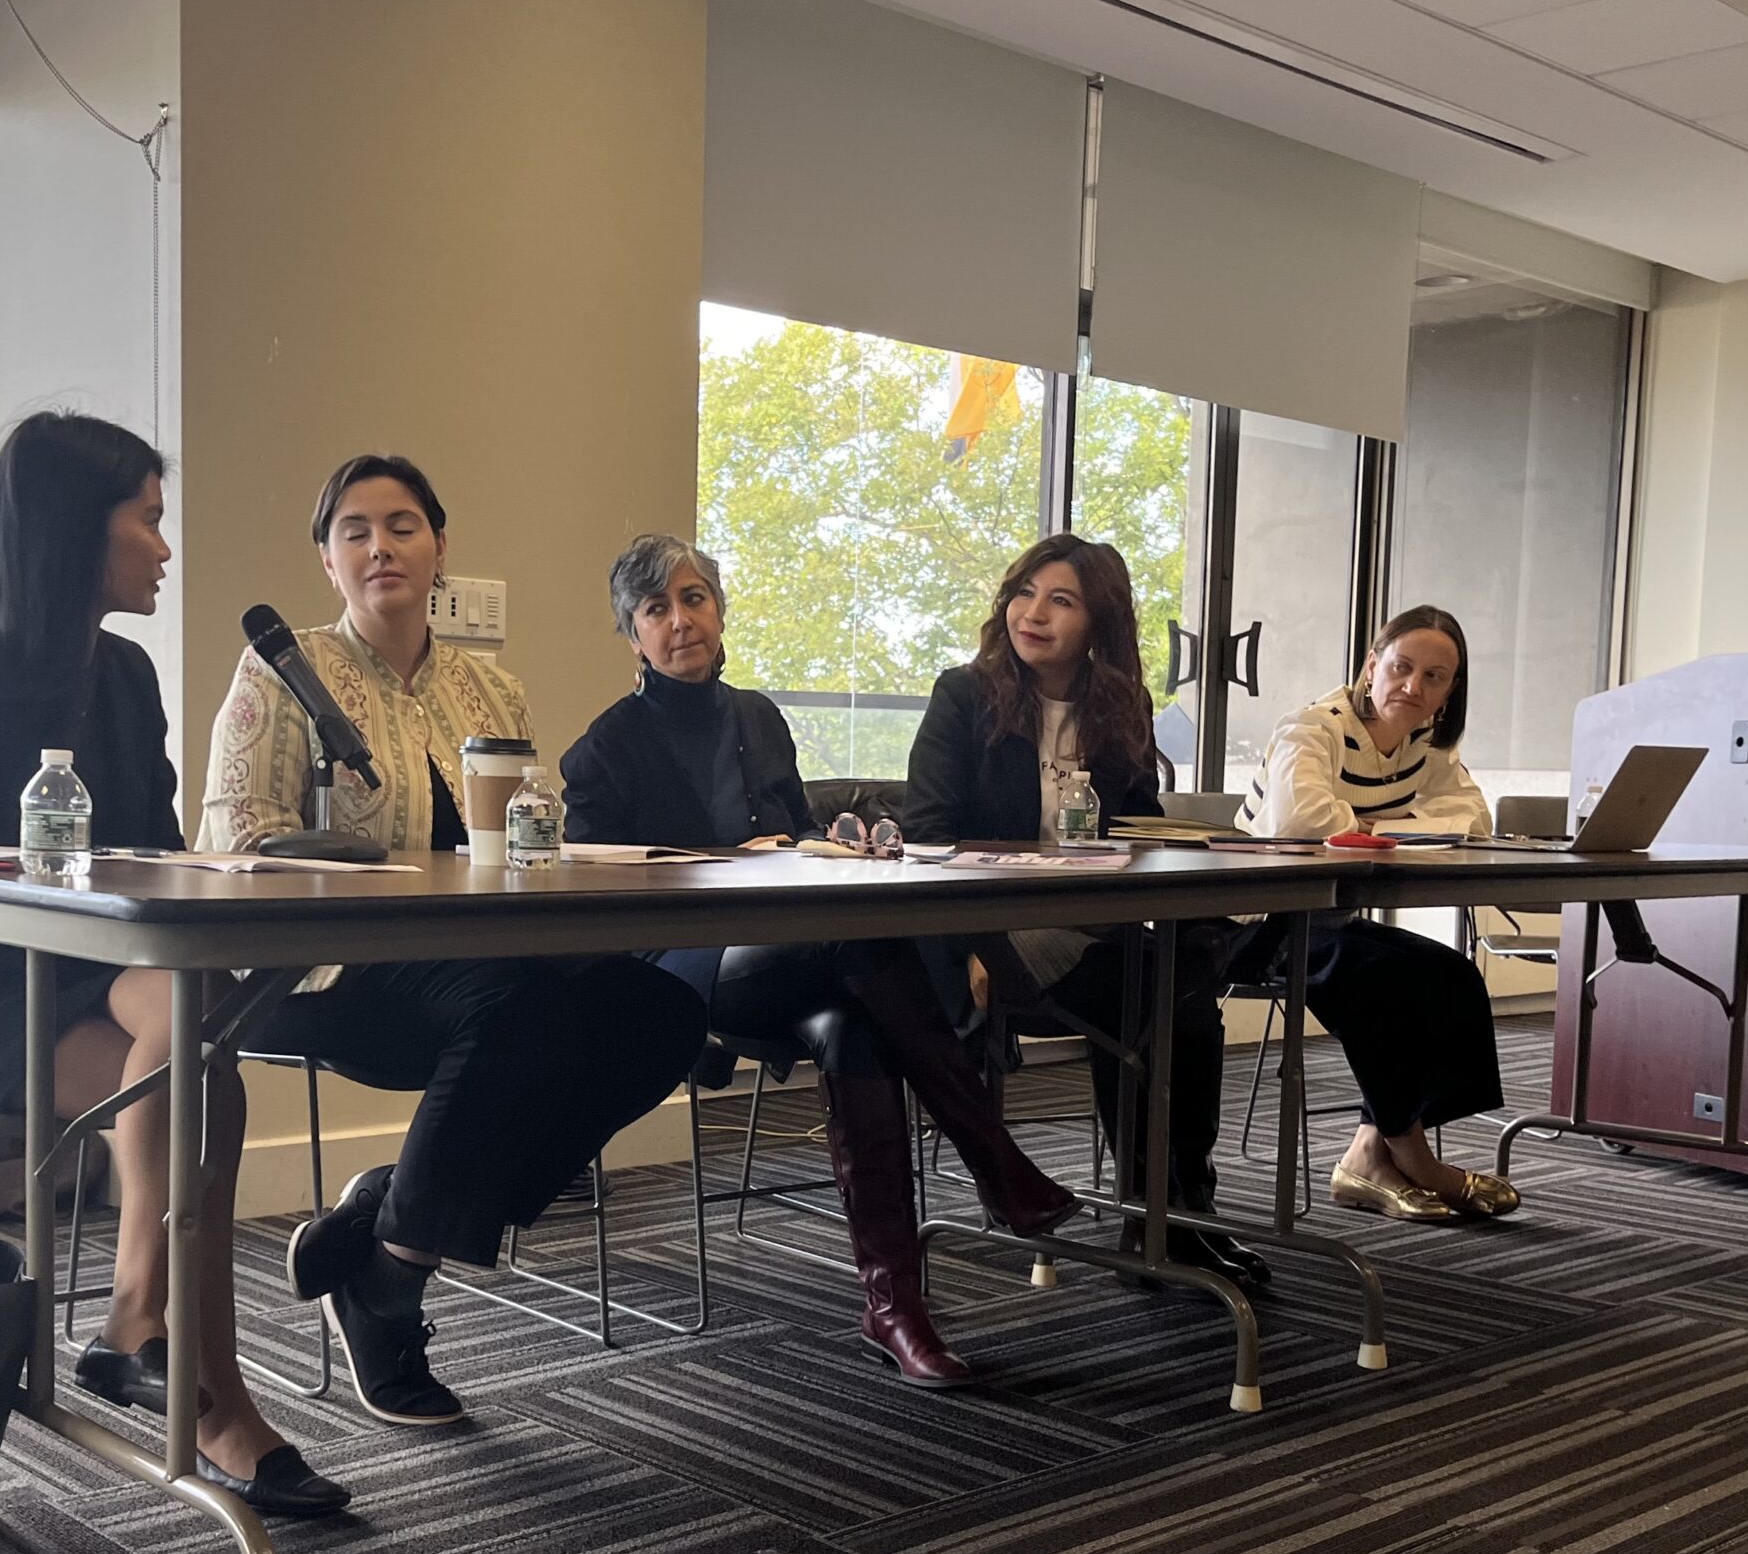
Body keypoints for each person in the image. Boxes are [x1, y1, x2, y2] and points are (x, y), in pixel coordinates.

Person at [0, 411, 347, 1518]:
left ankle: (143, 1327)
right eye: (150, 522)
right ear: (78, 532)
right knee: (203, 1080)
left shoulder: (123, 675)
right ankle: (195, 1386)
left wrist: (222, 878)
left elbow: (148, 857)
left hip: (87, 976)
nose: (166, 550)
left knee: (197, 1046)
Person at [202, 455, 707, 1425]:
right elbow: (232, 836)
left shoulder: (490, 689)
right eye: (354, 530)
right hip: (331, 972)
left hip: (481, 966)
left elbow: (525, 832)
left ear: (440, 548)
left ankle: (392, 1218)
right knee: (520, 1012)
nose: (380, 546)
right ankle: (390, 1291)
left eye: (401, 526)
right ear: (326, 558)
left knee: (662, 1011)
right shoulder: (282, 672)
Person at [563, 534, 1079, 1387]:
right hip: (687, 969)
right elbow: (602, 896)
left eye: (695, 599)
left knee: (854, 1023)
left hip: (799, 957)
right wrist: (733, 861)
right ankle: (995, 1158)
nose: (681, 620)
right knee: (859, 944)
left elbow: (789, 837)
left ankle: (895, 1306)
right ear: (632, 635)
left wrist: (819, 848)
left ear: (719, 611)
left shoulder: (757, 717)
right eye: (657, 609)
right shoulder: (602, 749)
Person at [901, 533, 1265, 1288]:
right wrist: (969, 941)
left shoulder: (1119, 705)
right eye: (1024, 593)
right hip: (993, 931)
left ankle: (1175, 1208)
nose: (1032, 613)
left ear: (1098, 621)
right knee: (1157, 988)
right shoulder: (963, 696)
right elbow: (928, 836)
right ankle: (1162, 1215)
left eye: (1060, 600)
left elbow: (1135, 824)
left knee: (1179, 988)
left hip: (1095, 925)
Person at [1235, 604, 1518, 1221]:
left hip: (1328, 917)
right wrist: (1405, 827)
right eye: (1402, 667)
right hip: (1255, 922)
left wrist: (1368, 826)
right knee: (1381, 982)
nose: (1414, 687)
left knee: (1451, 976)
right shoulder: (1310, 729)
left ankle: (1368, 1150)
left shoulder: (1427, 744)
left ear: (1450, 690)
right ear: (1372, 667)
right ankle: (1412, 1156)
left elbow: (1472, 821)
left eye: (1436, 678)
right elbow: (1301, 823)